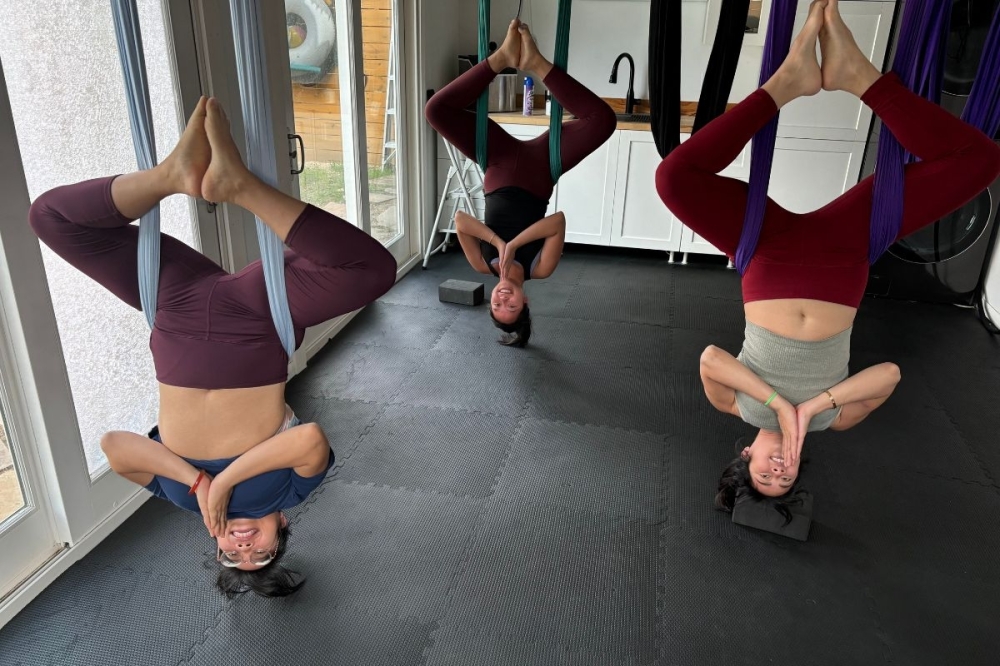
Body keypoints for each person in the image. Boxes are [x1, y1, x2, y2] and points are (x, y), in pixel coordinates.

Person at [29, 97, 397, 596]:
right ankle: (241, 187)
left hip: (174, 310)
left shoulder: (183, 500)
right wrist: (223, 483)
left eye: (232, 555)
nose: (244, 546)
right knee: (370, 271)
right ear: (282, 527)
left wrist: (197, 483)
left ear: (216, 543)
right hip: (254, 323)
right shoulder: (293, 489)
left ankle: (171, 175)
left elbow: (116, 448)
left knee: (50, 218)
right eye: (260, 552)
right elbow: (306, 440)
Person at [655, 0, 1000, 509]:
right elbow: (889, 375)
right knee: (980, 162)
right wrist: (814, 405)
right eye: (786, 480)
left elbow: (711, 359)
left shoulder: (735, 407)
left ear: (746, 454)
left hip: (765, 249)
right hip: (847, 250)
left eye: (765, 477)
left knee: (673, 179)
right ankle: (861, 79)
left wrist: (776, 404)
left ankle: (783, 86)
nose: (778, 471)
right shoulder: (834, 419)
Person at [425, 19, 616, 347]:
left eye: (497, 306)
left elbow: (460, 221)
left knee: (436, 110)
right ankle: (536, 64)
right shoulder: (540, 268)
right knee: (603, 121)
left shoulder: (481, 264)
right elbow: (557, 222)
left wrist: (498, 244)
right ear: (525, 302)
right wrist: (513, 247)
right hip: (540, 169)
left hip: (497, 162)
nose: (502, 299)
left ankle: (499, 59)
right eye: (511, 306)